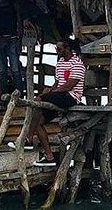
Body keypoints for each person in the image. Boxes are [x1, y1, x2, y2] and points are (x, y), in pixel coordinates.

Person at [29, 38, 86, 166]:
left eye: (59, 49)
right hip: (60, 95)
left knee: (39, 100)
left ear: (67, 49)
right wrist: (50, 89)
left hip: (71, 97)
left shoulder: (77, 64)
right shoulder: (60, 62)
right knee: (39, 123)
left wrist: (49, 94)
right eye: (56, 49)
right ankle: (50, 157)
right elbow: (57, 82)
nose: (57, 51)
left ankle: (28, 137)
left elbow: (68, 86)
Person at [0, 0, 24, 94]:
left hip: (12, 38)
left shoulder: (14, 6)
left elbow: (19, 22)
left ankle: (19, 94)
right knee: (2, 70)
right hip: (0, 39)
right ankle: (3, 95)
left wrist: (19, 40)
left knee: (15, 68)